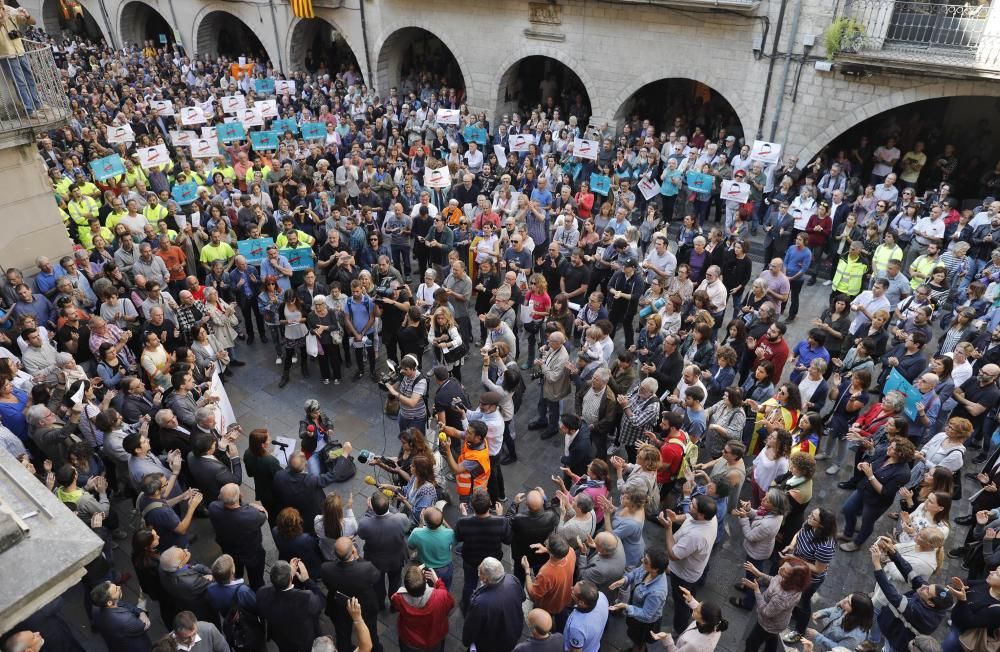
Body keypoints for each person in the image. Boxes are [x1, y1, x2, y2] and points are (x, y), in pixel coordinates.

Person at [869, 543, 954, 652]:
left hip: (898, 642)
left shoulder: (920, 613)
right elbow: (911, 574)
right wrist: (893, 553)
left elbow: (892, 595)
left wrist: (877, 565)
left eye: (927, 590)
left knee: (889, 649)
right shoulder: (932, 599)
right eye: (928, 586)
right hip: (896, 628)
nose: (923, 586)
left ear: (931, 603)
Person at [658, 494, 717, 634]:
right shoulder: (710, 517)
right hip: (695, 569)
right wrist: (676, 518)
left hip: (683, 574)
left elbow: (673, 555)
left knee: (681, 603)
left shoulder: (696, 536)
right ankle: (690, 602)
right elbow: (690, 516)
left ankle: (679, 628)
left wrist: (668, 528)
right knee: (689, 592)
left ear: (702, 515)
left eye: (693, 505)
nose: (689, 505)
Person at [320, 537, 382, 652]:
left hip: (339, 604)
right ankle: (375, 648)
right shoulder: (366, 567)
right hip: (364, 604)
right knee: (370, 629)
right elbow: (377, 576)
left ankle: (345, 648)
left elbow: (327, 583)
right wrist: (358, 558)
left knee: (342, 633)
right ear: (353, 552)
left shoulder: (325, 568)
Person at [742, 557, 813, 652]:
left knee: (751, 643)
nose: (780, 569)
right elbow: (774, 580)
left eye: (784, 571)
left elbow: (766, 612)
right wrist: (759, 574)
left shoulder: (782, 597)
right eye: (782, 566)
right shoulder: (792, 583)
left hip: (769, 624)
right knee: (771, 638)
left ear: (792, 579)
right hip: (779, 622)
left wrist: (757, 591)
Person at [206, 483, 267, 590]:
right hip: (251, 553)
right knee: (256, 580)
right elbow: (264, 515)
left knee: (235, 574)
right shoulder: (252, 515)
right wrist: (256, 506)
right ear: (240, 496)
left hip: (229, 551)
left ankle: (236, 586)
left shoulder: (213, 508)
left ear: (220, 497)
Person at [255, 560, 325, 652]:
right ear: (290, 578)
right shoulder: (306, 598)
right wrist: (307, 580)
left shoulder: (261, 592)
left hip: (281, 637)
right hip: (303, 639)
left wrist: (289, 574)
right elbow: (321, 601)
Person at [357, 491, 410, 610]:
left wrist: (370, 510)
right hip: (396, 558)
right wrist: (389, 507)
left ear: (372, 507)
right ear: (388, 504)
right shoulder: (401, 518)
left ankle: (380, 605)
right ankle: (395, 605)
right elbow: (406, 527)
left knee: (378, 585)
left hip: (376, 562)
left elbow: (361, 535)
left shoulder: (365, 523)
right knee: (396, 582)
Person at [608, 548, 670, 652]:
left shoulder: (657, 592)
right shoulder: (647, 567)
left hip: (644, 623)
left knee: (638, 641)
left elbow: (646, 614)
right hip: (636, 611)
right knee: (634, 637)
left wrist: (626, 606)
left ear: (655, 569)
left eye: (645, 561)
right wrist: (624, 580)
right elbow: (636, 572)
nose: (642, 561)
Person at [462, 557, 525, 652]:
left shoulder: (480, 602)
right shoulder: (512, 579)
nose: (478, 570)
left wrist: (467, 641)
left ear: (485, 578)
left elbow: (471, 629)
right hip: (512, 635)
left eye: (480, 570)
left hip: (490, 645)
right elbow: (522, 598)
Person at [390, 564, 455, 652]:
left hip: (409, 641)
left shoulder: (398, 598)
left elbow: (394, 600)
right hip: (433, 640)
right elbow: (450, 604)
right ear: (425, 581)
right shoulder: (440, 596)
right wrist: (438, 582)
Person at [521, 532, 576, 630]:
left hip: (549, 605)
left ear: (552, 552)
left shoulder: (547, 573)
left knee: (544, 622)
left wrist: (527, 571)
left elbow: (533, 595)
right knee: (562, 619)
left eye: (547, 545)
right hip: (565, 597)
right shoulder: (571, 551)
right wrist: (547, 550)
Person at [89, 581, 153, 652]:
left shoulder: (95, 607)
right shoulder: (125, 620)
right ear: (109, 603)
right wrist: (142, 612)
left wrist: (138, 611)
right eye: (116, 590)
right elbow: (145, 625)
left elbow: (124, 604)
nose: (119, 587)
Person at [800, 592, 874, 651]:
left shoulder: (855, 637)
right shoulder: (846, 607)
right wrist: (822, 613)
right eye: (847, 597)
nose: (844, 600)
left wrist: (818, 636)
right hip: (825, 638)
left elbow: (839, 649)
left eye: (849, 603)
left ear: (856, 612)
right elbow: (835, 610)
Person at [563, 580, 609, 652]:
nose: (571, 588)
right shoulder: (602, 597)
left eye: (573, 591)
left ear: (581, 603)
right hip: (595, 646)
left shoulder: (577, 627)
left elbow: (576, 650)